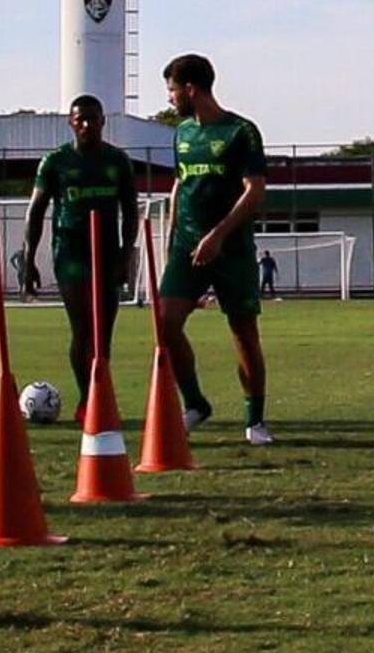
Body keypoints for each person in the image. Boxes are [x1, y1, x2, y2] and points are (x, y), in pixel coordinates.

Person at [155, 53, 275, 445]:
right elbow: (179, 186)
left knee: (243, 332)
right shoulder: (182, 134)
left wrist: (220, 234)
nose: (170, 99)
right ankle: (195, 404)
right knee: (166, 322)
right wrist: (173, 236)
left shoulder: (241, 132)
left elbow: (254, 192)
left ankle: (254, 421)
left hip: (232, 248)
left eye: (172, 90)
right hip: (187, 246)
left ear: (190, 88)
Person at [21, 95, 144, 404]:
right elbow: (35, 211)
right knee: (83, 328)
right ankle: (87, 398)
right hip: (70, 253)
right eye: (81, 120)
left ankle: (99, 390)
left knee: (103, 333)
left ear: (103, 121)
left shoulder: (117, 161)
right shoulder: (55, 162)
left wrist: (125, 254)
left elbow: (131, 212)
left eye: (93, 119)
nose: (87, 125)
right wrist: (29, 257)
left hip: (107, 251)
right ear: (71, 123)